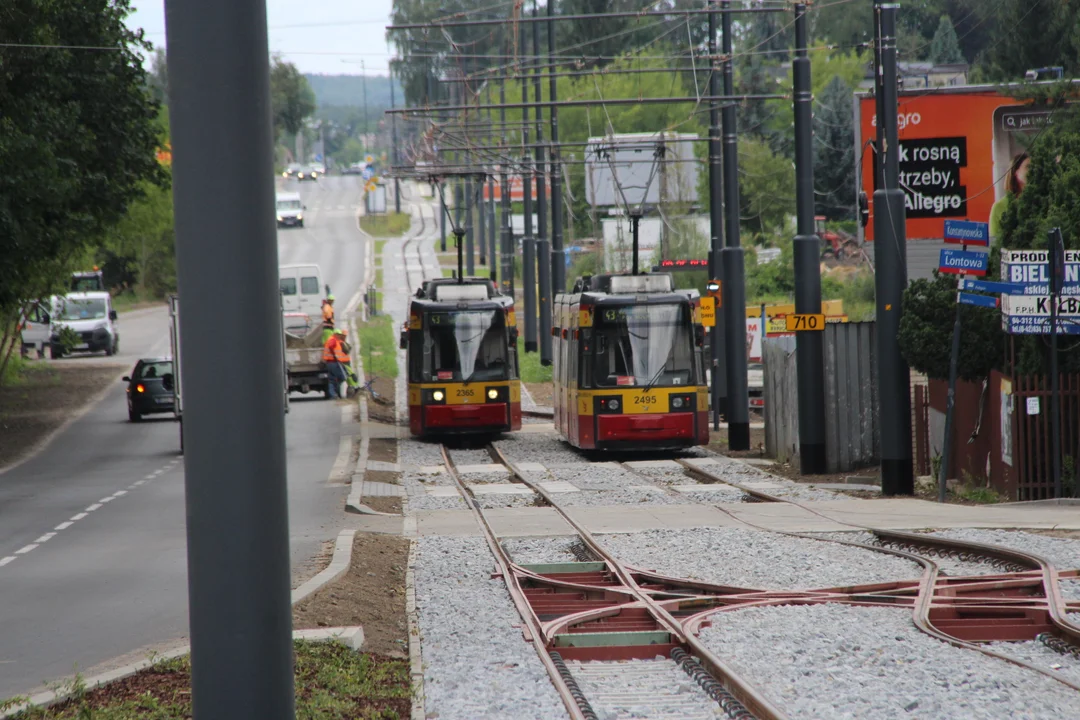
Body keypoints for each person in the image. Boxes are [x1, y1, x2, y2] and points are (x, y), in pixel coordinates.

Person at [989, 152, 1030, 242]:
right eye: (1028, 167)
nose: (1033, 170)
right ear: (1016, 171)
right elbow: (994, 244)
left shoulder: (1040, 202)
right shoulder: (999, 207)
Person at [323, 327, 350, 399]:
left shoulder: (332, 339)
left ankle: (333, 394)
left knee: (332, 379)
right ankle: (335, 392)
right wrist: (335, 355)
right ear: (335, 334)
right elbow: (331, 346)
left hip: (330, 362)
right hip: (333, 362)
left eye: (339, 334)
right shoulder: (333, 340)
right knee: (341, 377)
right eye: (338, 334)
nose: (339, 336)